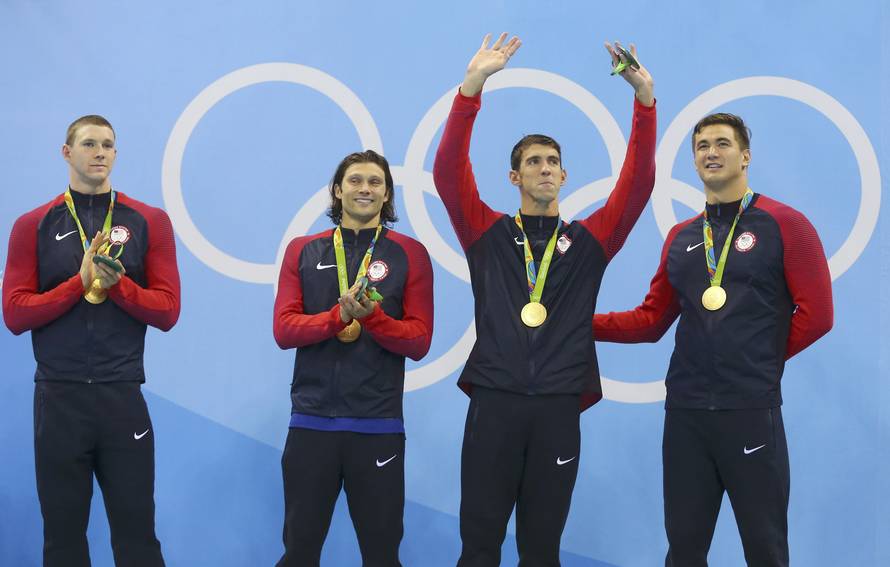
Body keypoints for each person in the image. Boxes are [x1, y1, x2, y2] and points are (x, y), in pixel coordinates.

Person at [432, 34, 656, 566]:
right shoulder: (484, 233)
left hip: (558, 405)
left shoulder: (590, 241)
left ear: (565, 175)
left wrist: (644, 101)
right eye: (533, 162)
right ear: (515, 176)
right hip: (495, 402)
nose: (545, 168)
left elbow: (638, 185)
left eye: (553, 161)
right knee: (480, 544)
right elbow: (446, 172)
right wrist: (472, 88)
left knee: (542, 548)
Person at [593, 112, 833, 566]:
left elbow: (818, 315)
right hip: (685, 415)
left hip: (749, 410)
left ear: (745, 156)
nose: (711, 152)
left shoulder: (786, 224)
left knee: (765, 551)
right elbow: (649, 321)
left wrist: (756, 361)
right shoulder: (681, 237)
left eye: (722, 144)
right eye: (702, 146)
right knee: (683, 550)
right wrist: (577, 323)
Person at [2, 115, 180, 566]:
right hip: (58, 400)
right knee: (62, 540)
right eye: (88, 144)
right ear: (67, 153)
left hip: (121, 398)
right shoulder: (32, 224)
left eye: (108, 145)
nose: (99, 152)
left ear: (116, 154)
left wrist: (116, 285)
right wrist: (78, 284)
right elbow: (15, 313)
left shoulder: (148, 221)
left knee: (138, 536)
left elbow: (167, 311)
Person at [272, 150, 434, 567]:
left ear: (387, 195)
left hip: (377, 424)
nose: (365, 188)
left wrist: (374, 320)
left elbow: (418, 340)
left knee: (382, 556)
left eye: (375, 182)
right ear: (338, 190)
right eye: (356, 180)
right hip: (311, 424)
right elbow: (284, 330)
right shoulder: (303, 250)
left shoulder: (410, 254)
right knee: (299, 553)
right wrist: (337, 317)